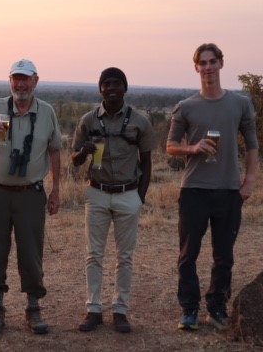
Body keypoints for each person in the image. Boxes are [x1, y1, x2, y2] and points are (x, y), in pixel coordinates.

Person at [167, 43, 259, 331]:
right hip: (194, 190)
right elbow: (170, 147)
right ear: (196, 68)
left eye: (212, 61)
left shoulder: (240, 104)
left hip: (229, 191)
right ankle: (189, 309)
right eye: (202, 63)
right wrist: (192, 148)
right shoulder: (186, 107)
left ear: (221, 64)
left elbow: (252, 146)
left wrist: (248, 182)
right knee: (188, 254)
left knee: (224, 255)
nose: (207, 67)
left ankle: (217, 306)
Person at [0, 59, 62, 335]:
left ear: (35, 81)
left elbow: (55, 150)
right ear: (9, 81)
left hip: (30, 194)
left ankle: (33, 309)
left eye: (25, 79)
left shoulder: (46, 112)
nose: (20, 84)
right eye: (15, 79)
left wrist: (55, 190)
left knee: (31, 251)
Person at [70, 67, 155, 334]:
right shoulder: (88, 120)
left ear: (125, 88)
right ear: (100, 90)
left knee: (125, 256)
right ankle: (93, 309)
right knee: (93, 254)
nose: (111, 89)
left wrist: (139, 197)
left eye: (116, 84)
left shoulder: (139, 121)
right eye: (106, 84)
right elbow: (74, 160)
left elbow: (147, 163)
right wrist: (82, 153)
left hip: (128, 194)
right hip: (96, 192)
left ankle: (120, 310)